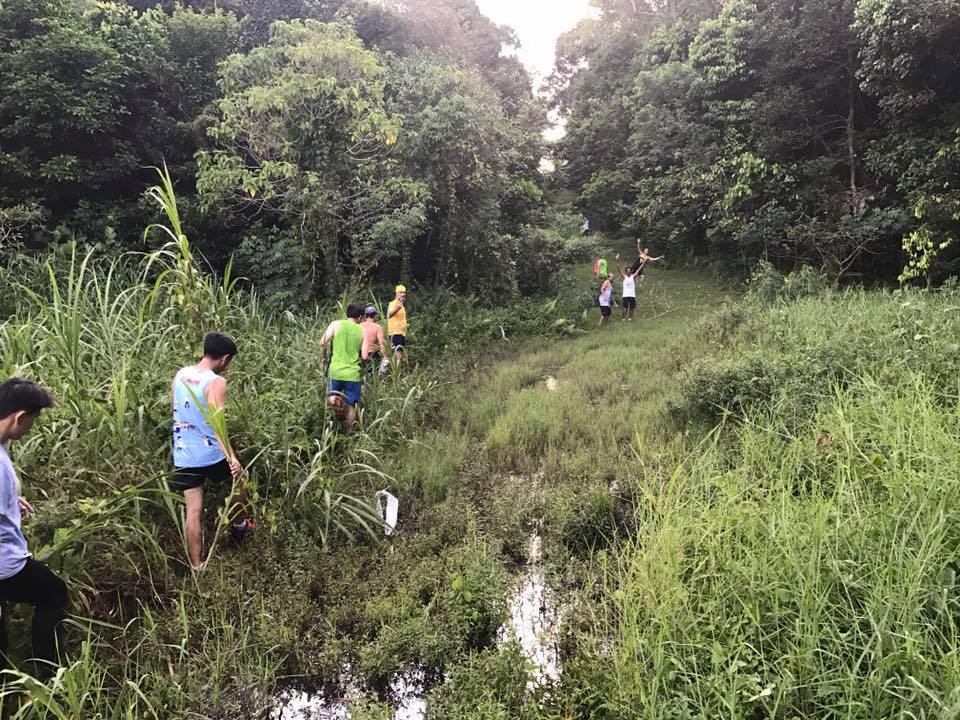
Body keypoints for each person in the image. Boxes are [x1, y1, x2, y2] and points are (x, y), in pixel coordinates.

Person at [0, 378, 68, 680]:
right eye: (31, 421)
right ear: (19, 417)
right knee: (53, 594)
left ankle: (9, 688)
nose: (30, 428)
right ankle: (47, 677)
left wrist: (10, 500)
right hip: (6, 564)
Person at [170, 332, 251, 573]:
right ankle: (239, 525)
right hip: (211, 453)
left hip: (184, 453)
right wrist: (231, 457)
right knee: (240, 479)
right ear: (224, 359)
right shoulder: (216, 382)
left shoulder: (181, 375)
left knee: (193, 510)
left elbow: (174, 409)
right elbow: (217, 423)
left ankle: (197, 566)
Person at [320, 304, 370, 432]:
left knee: (332, 396)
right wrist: (361, 365)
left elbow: (322, 342)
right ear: (360, 317)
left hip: (335, 371)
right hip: (352, 374)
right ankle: (349, 432)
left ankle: (335, 402)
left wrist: (324, 358)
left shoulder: (335, 324)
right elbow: (365, 356)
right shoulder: (363, 331)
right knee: (352, 406)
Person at [361, 306, 390, 375]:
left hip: (361, 354)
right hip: (373, 355)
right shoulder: (377, 327)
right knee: (372, 376)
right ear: (375, 315)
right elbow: (382, 343)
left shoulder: (360, 325)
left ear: (365, 315)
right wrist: (385, 356)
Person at [615, 254, 641, 321]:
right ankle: (623, 318)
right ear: (626, 272)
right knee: (625, 307)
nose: (629, 272)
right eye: (627, 271)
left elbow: (639, 269)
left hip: (632, 295)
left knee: (632, 307)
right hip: (625, 295)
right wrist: (617, 260)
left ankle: (630, 318)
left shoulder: (633, 276)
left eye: (630, 271)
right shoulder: (624, 276)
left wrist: (643, 263)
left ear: (631, 271)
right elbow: (619, 269)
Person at [386, 285, 408, 363]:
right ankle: (394, 369)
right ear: (396, 293)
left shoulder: (401, 305)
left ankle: (397, 369)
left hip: (401, 333)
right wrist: (397, 308)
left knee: (400, 354)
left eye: (404, 292)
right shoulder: (393, 303)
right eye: (401, 292)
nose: (403, 294)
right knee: (398, 354)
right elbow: (388, 315)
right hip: (395, 332)